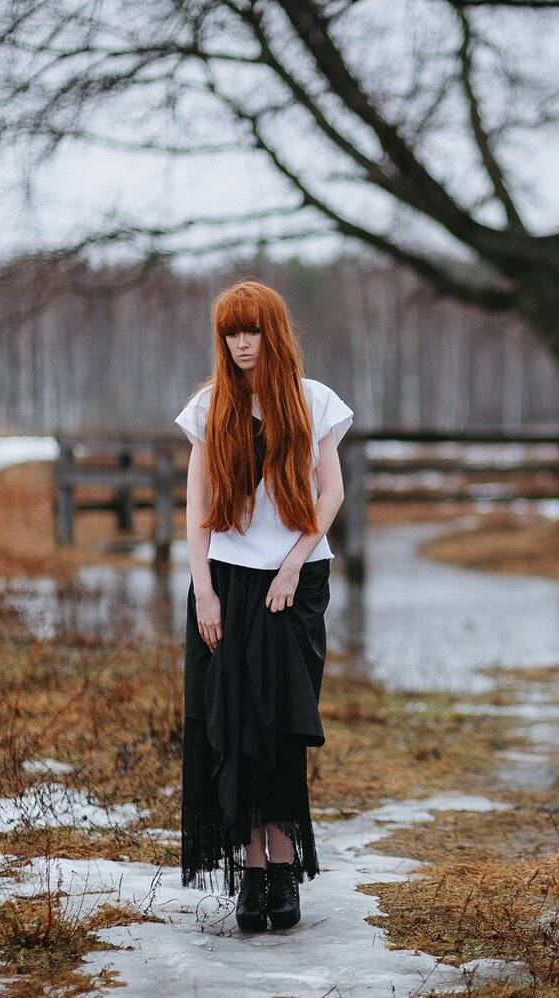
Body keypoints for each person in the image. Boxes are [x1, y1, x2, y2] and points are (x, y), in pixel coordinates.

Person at [172, 278, 354, 933]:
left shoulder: (314, 402)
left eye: (251, 330)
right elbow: (196, 510)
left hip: (296, 582)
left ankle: (285, 868)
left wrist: (294, 559)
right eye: (230, 332)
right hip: (226, 579)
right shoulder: (209, 407)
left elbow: (330, 492)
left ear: (272, 332)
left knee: (278, 726)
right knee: (235, 729)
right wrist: (204, 593)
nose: (241, 343)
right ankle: (253, 873)